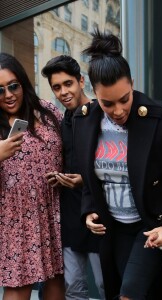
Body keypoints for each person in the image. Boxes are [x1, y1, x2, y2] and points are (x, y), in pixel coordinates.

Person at [72, 29, 162, 300]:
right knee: (125, 291)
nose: (118, 111)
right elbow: (89, 179)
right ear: (93, 93)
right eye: (108, 104)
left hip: (152, 225)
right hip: (114, 229)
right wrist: (88, 212)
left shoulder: (160, 118)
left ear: (133, 83)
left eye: (125, 99)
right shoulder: (83, 121)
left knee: (129, 294)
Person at [0, 53, 65, 299]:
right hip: (15, 218)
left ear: (23, 83)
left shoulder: (47, 111)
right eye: (0, 90)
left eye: (13, 86)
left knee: (57, 278)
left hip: (53, 209)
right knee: (18, 286)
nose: (8, 94)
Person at [41, 55, 105, 300]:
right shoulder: (63, 120)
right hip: (70, 214)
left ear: (80, 81)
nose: (63, 92)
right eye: (56, 87)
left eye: (68, 84)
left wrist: (85, 181)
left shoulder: (102, 113)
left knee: (104, 285)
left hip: (99, 214)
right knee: (74, 289)